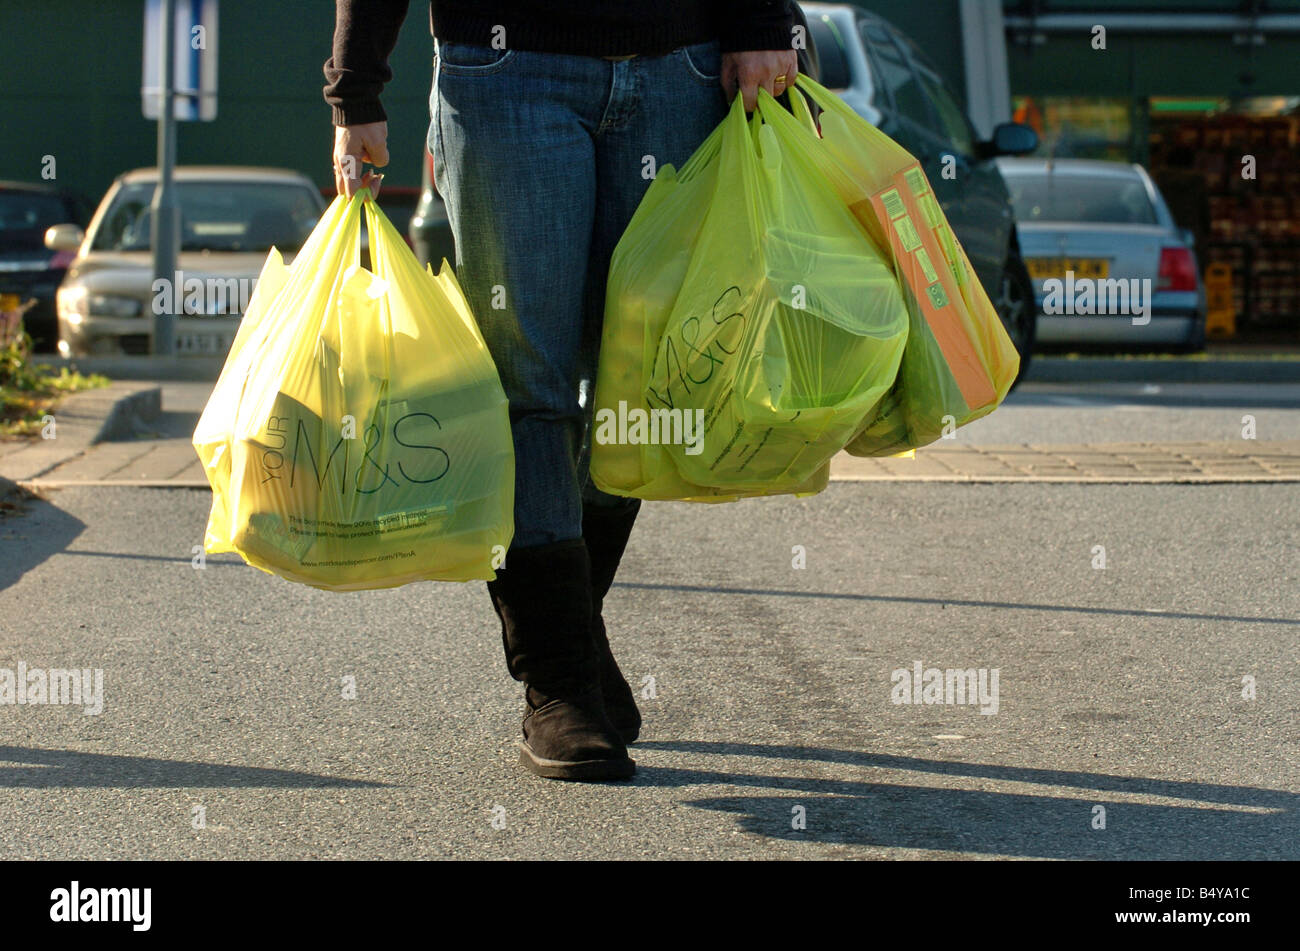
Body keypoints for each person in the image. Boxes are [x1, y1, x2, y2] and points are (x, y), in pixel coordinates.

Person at [325, 0, 798, 781]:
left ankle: (572, 633)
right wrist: (356, 89)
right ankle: (559, 683)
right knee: (529, 385)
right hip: (506, 72)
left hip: (680, 64)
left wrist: (762, 20)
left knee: (643, 385)